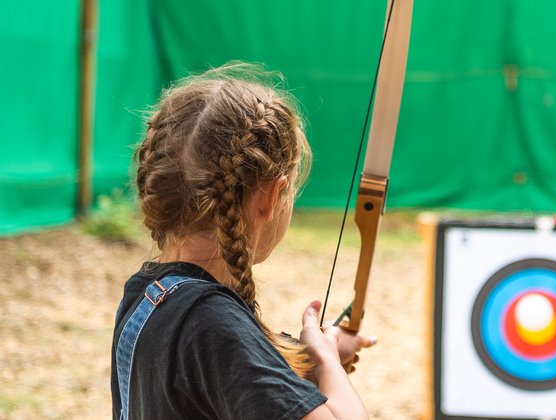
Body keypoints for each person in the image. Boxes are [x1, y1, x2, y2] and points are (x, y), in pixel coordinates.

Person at [110, 63, 376, 419]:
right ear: (269, 196)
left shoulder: (148, 293)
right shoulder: (212, 325)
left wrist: (302, 361)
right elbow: (225, 355)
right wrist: (328, 365)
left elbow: (216, 384)